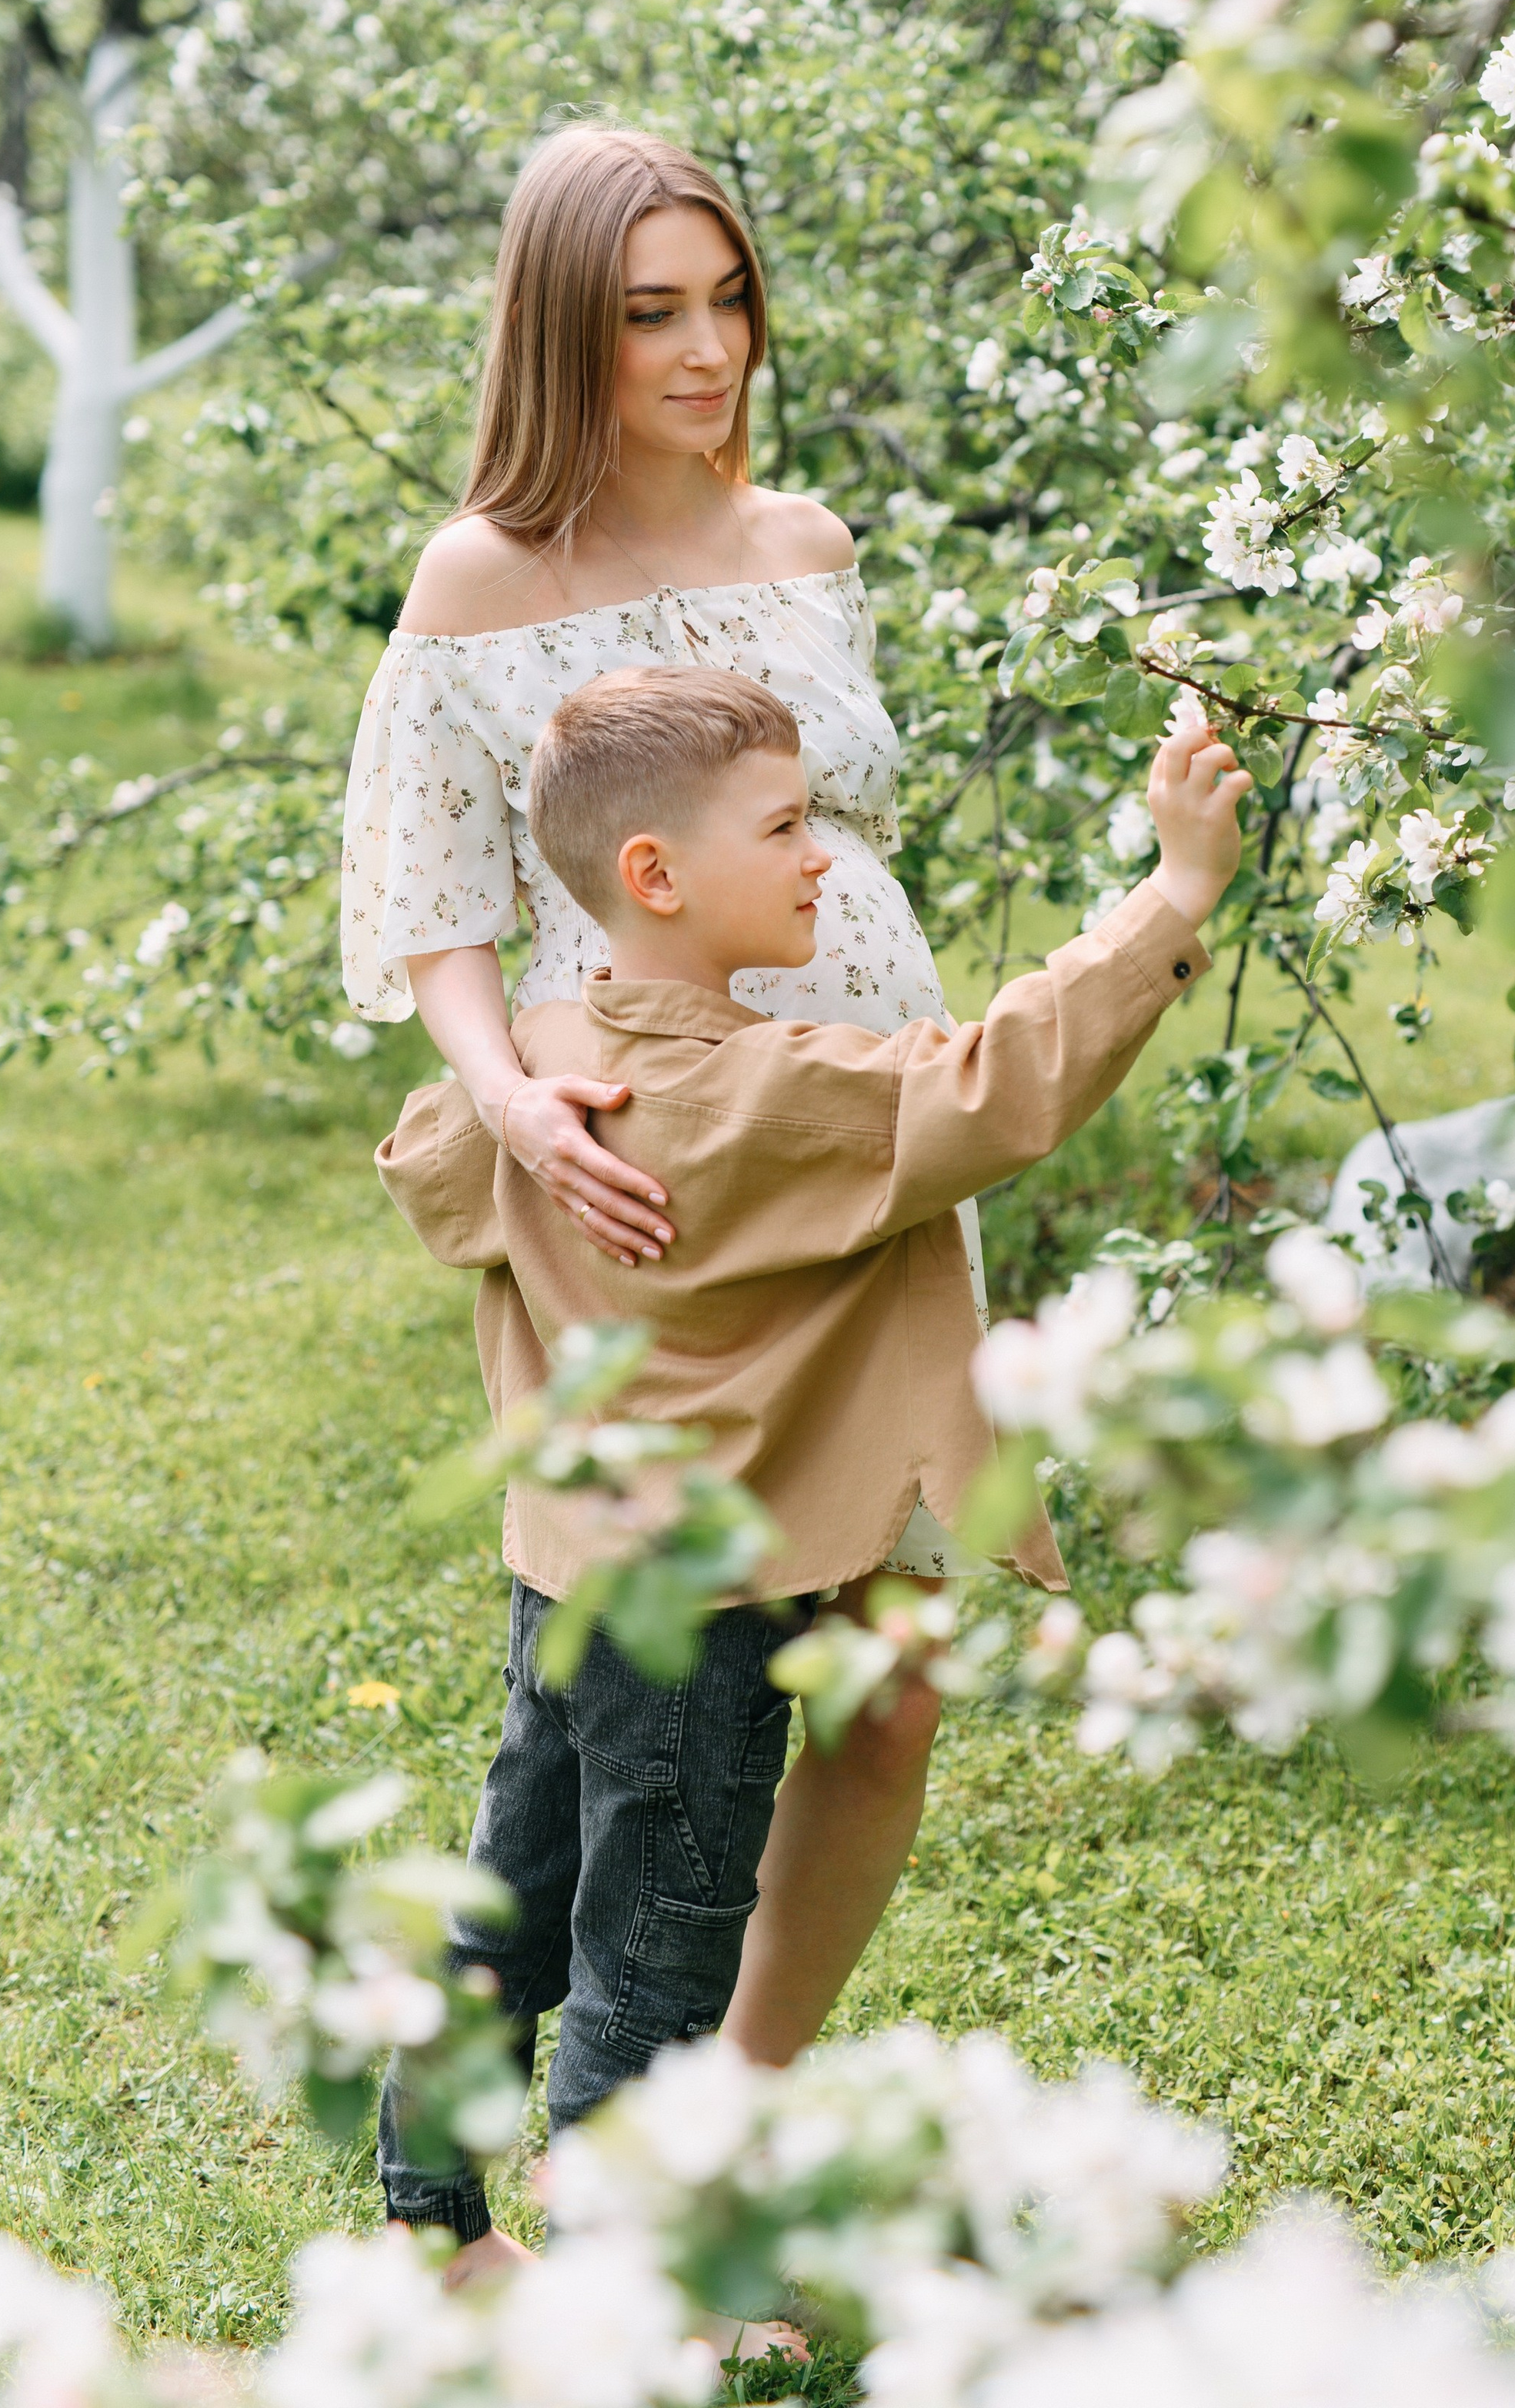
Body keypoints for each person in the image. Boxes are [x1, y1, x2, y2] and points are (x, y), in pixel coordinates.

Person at [374, 668, 1248, 2275]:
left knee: (520, 1882)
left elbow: (430, 1164)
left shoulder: (550, 1089)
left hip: (561, 1573)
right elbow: (1000, 1078)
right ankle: (636, 2278)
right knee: (661, 1934)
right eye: (782, 827)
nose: (817, 858)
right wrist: (1174, 888)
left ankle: (432, 2220)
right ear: (653, 875)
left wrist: (516, 1084)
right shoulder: (761, 1094)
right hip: (704, 1607)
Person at [339, 123, 999, 2174]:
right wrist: (516, 1104)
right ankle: (481, 2162)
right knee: (625, 1696)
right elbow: (435, 904)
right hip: (647, 1166)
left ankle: (733, 2123)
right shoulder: (483, 582)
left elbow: (825, 834)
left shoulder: (800, 543)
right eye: (651, 318)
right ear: (563, 331)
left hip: (873, 1140)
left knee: (893, 1674)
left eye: (727, 302)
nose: (707, 354)